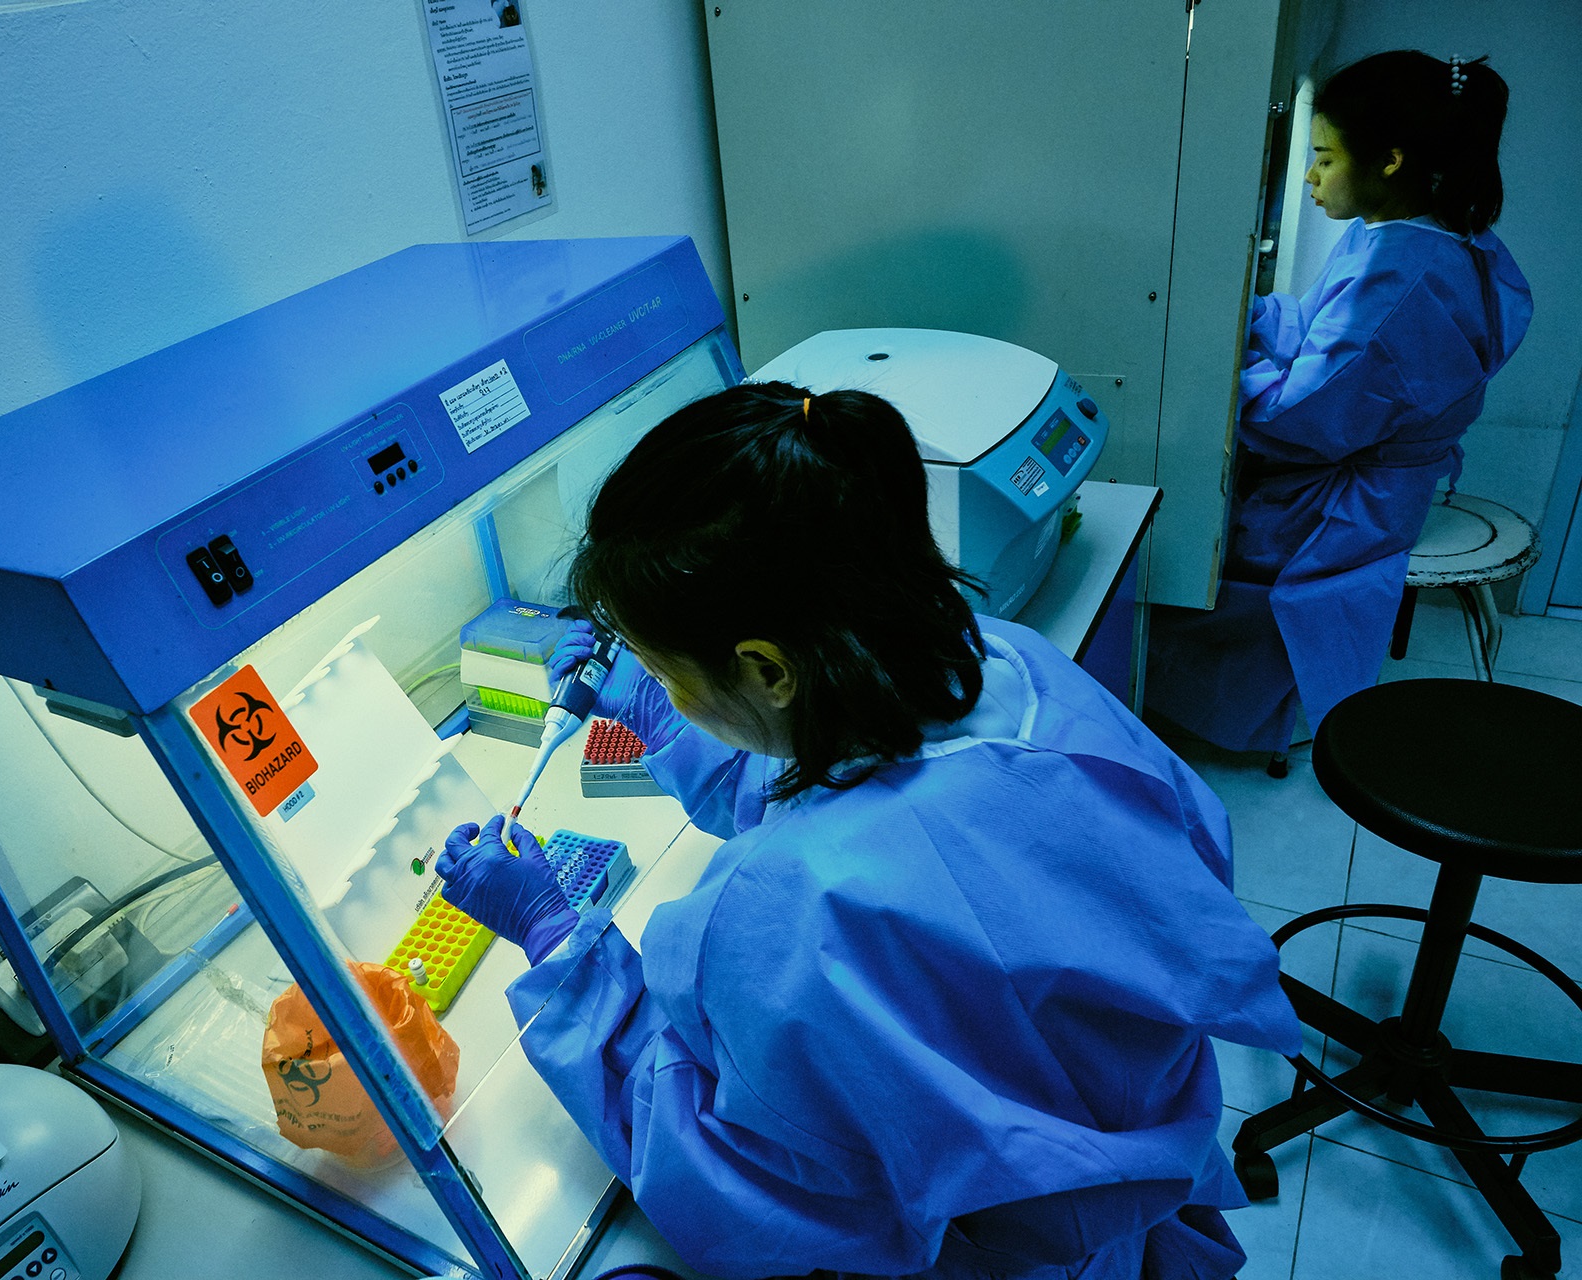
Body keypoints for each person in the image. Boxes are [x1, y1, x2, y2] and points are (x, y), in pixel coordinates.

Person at [437, 383, 1301, 1279]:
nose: (669, 692)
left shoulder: (791, 905)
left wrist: (557, 943)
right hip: (1115, 1192)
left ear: (767, 669)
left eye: (668, 672)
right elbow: (847, 770)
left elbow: (731, 1173)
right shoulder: (1011, 668)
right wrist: (665, 717)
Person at [1146, 50, 1532, 761]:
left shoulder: (1398, 275)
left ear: (1388, 160)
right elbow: (1329, 334)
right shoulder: (1440, 235)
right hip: (1389, 460)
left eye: (1323, 158)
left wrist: (1225, 374)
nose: (1309, 177)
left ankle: (1226, 715)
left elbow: (1307, 419)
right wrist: (1253, 316)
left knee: (1199, 558)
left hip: (1358, 493)